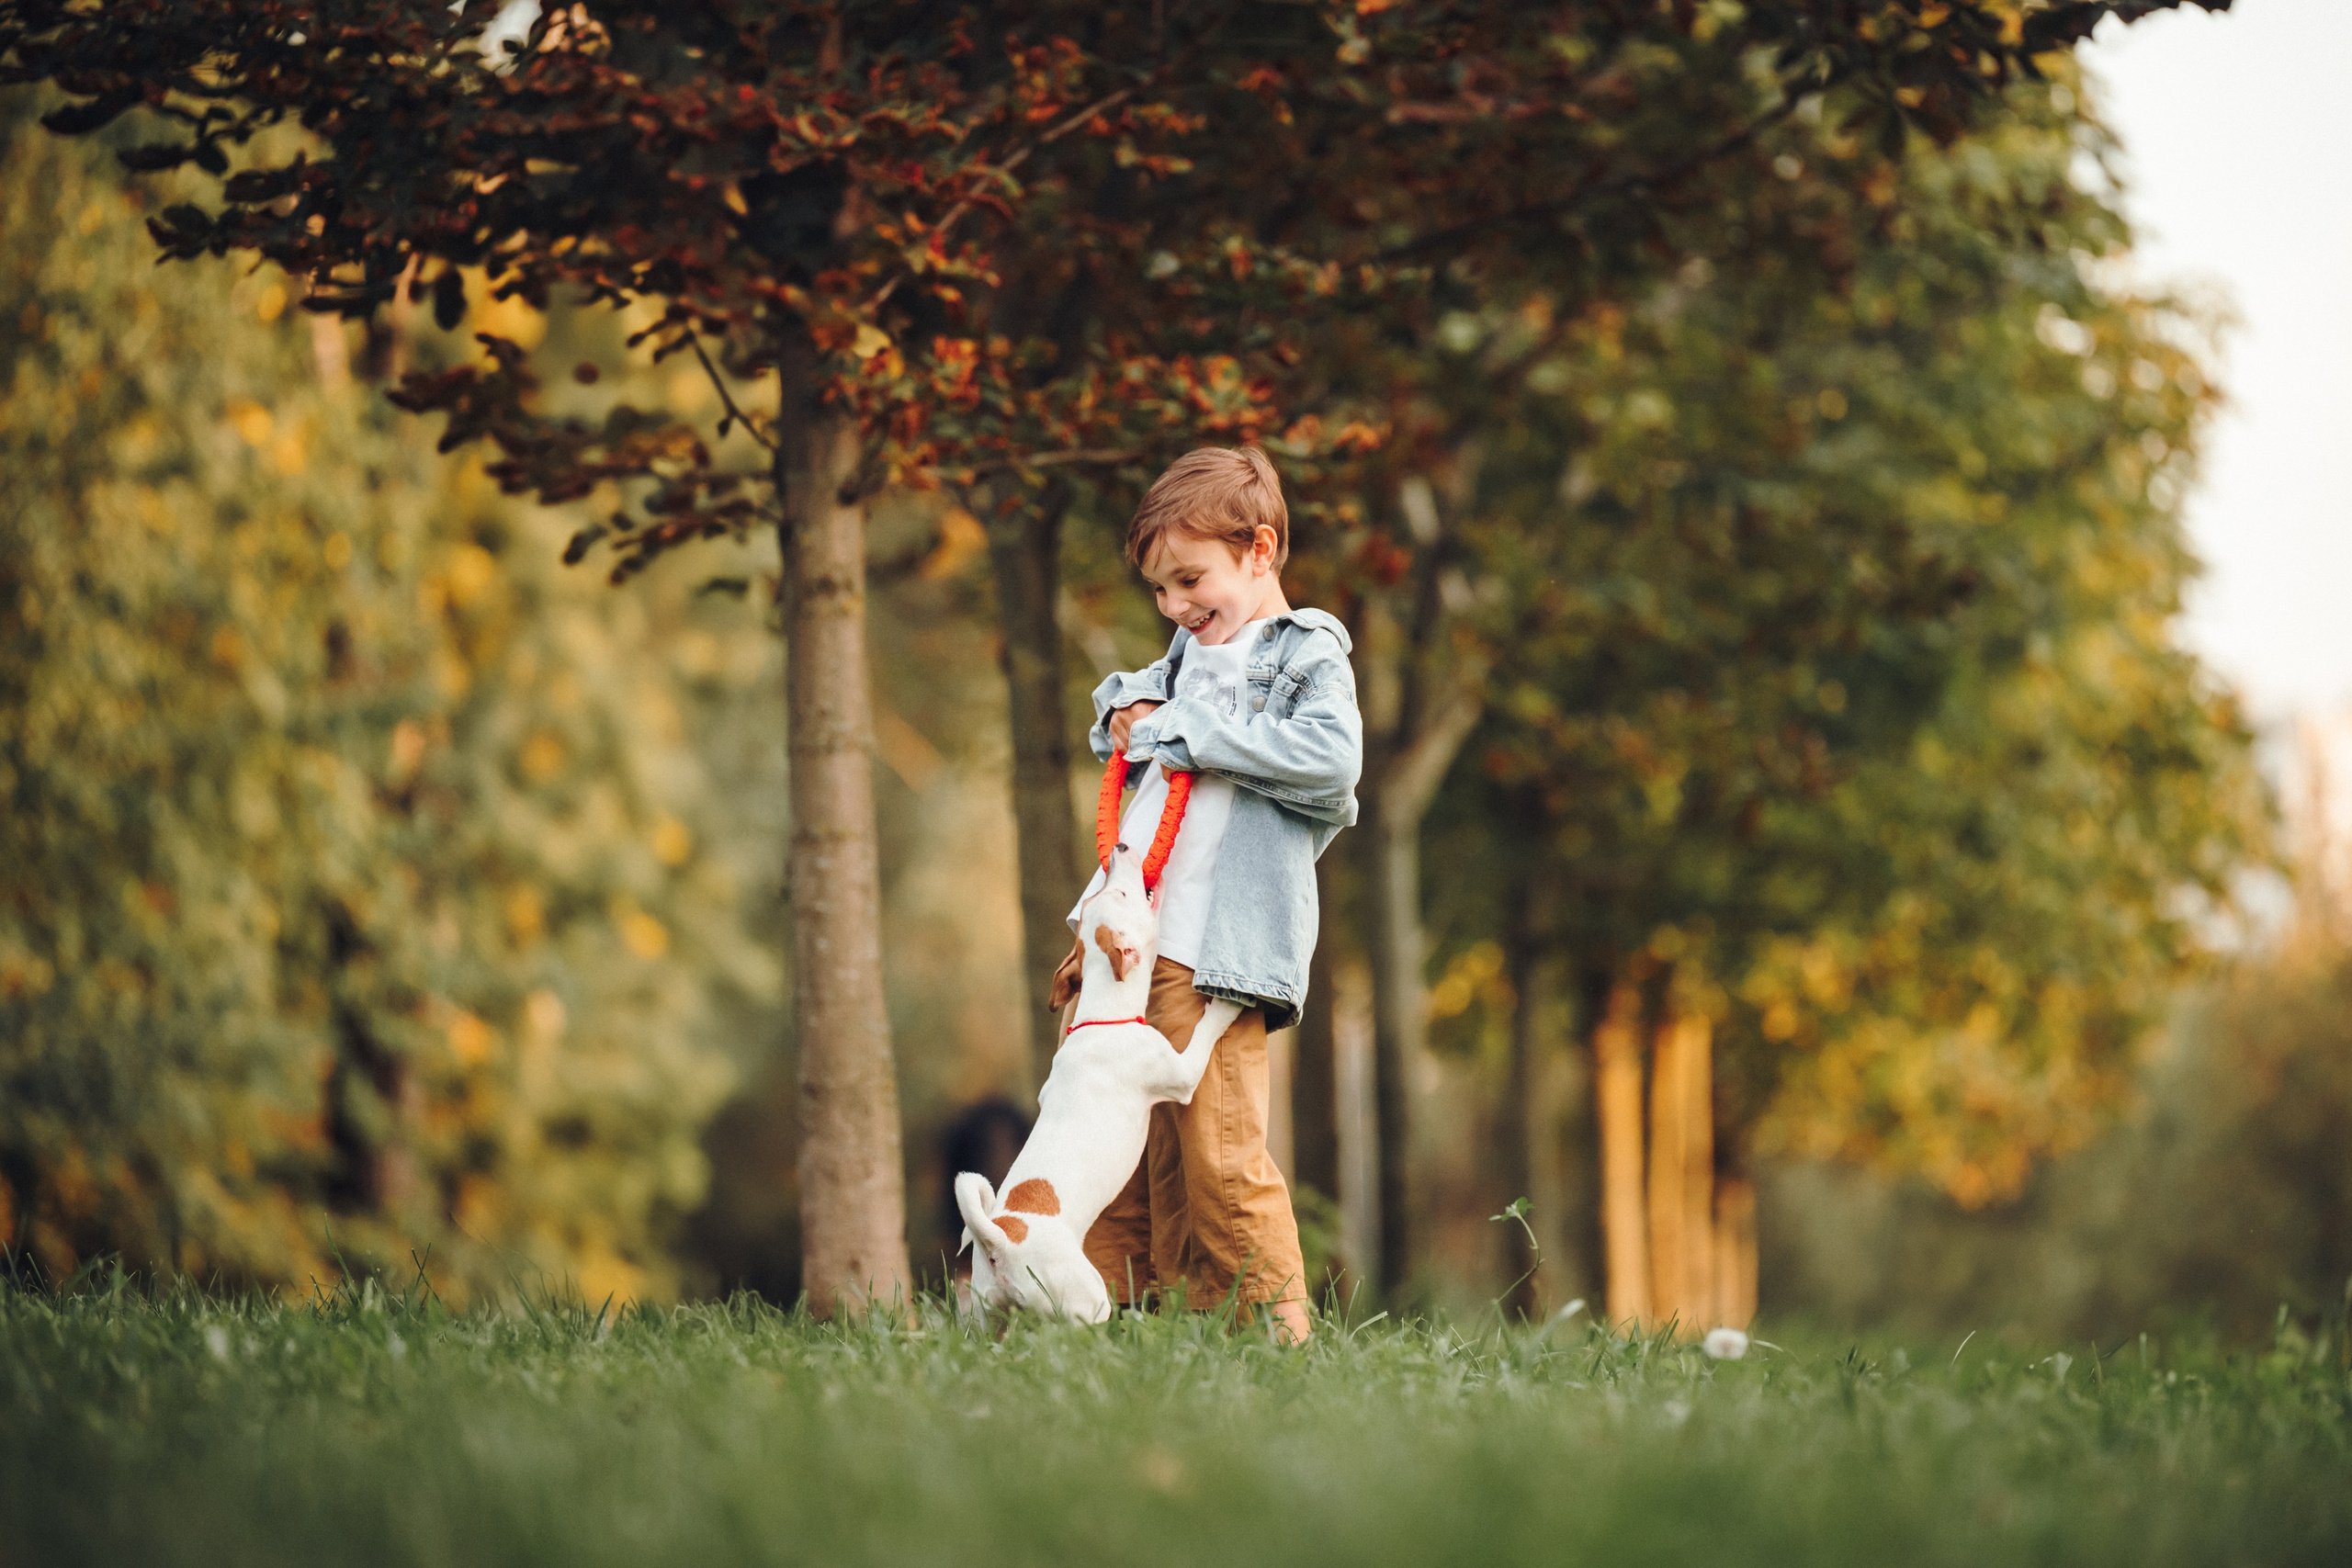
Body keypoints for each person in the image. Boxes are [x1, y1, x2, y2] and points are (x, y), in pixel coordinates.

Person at [1047, 445, 1362, 1345]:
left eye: (1190, 579)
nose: (1176, 606)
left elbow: (1332, 765)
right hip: (1130, 934)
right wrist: (1124, 720)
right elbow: (1125, 717)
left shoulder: (1301, 651)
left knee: (1217, 1154)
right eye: (1159, 591)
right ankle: (1123, 1319)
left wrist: (1183, 729)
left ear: (1259, 550)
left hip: (1212, 950)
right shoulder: (1191, 651)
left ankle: (1280, 1333)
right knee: (1119, 1138)